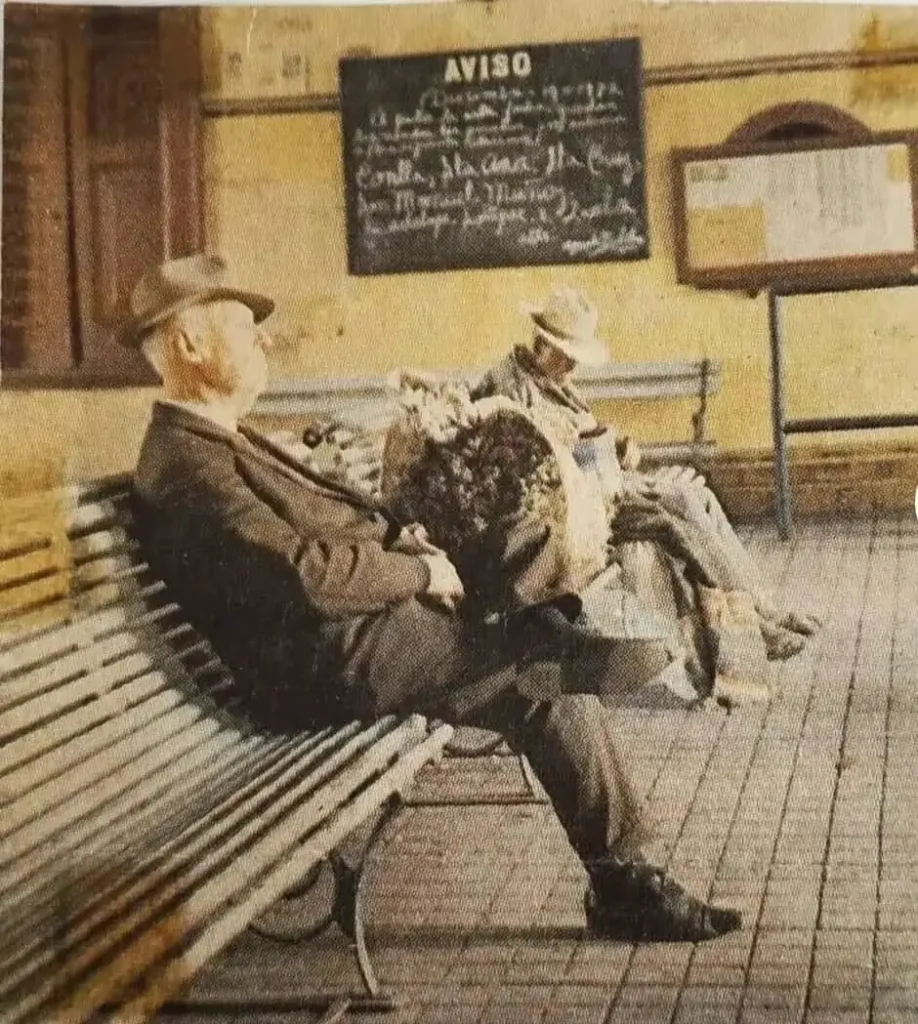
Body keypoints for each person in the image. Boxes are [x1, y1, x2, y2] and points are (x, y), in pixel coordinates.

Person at [125, 254, 741, 944]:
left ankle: (621, 873)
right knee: (531, 658)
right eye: (245, 328)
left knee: (538, 669)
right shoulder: (187, 465)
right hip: (324, 666)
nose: (265, 340)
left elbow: (330, 532)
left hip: (358, 633)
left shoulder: (211, 440)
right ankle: (566, 639)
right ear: (188, 344)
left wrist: (406, 540)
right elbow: (305, 576)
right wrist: (418, 574)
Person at [471, 285, 820, 672]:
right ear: (543, 344)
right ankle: (751, 623)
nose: (573, 369)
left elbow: (586, 430)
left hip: (600, 487)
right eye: (568, 358)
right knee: (681, 507)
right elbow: (536, 465)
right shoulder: (512, 388)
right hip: (572, 511)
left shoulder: (550, 379)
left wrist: (619, 444)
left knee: (695, 498)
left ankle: (763, 608)